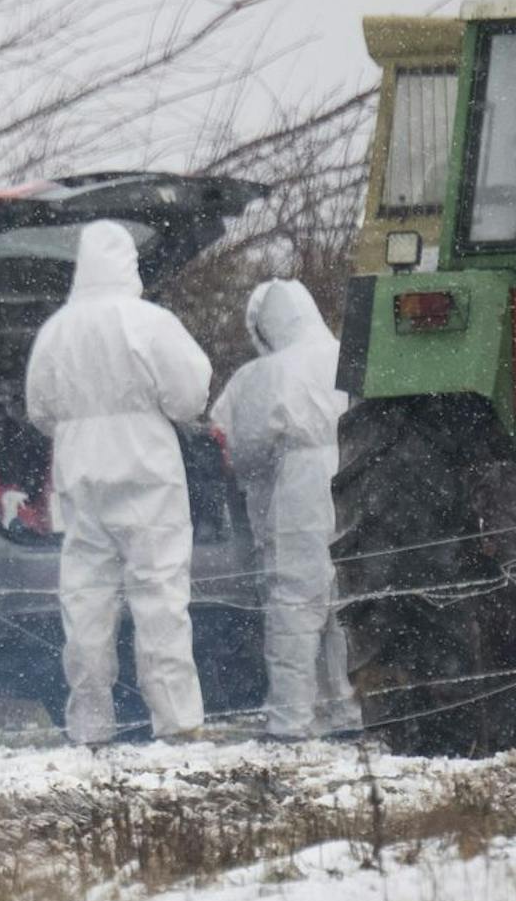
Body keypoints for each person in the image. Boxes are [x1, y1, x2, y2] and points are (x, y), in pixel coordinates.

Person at [25, 220, 212, 747]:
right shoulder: (149, 322)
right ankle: (177, 723)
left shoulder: (56, 330)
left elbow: (40, 409)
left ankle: (90, 725)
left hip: (80, 477)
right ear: (130, 262)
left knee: (85, 603)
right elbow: (189, 396)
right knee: (160, 596)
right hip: (148, 474)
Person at [210, 280, 361, 740]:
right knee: (345, 601)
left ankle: (291, 719)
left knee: (295, 601)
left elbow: (244, 449)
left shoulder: (266, 374)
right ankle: (347, 711)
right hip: (357, 473)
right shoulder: (351, 355)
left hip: (301, 484)